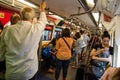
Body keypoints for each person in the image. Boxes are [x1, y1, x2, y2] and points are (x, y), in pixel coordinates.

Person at [0, 1, 48, 80]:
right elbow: (43, 21)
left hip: (12, 73)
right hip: (29, 73)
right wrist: (42, 9)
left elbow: (1, 51)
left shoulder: (7, 30)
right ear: (32, 19)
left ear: (20, 16)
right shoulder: (36, 29)